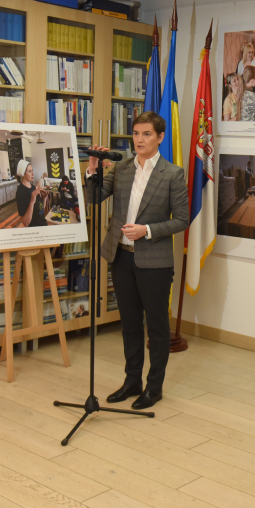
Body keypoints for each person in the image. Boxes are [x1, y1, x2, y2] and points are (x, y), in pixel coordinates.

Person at [85, 112, 189, 410]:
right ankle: (132, 381)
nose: (139, 140)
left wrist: (147, 230)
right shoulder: (121, 168)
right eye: (136, 133)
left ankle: (154, 387)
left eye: (146, 134)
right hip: (121, 257)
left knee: (156, 327)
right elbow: (94, 198)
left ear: (160, 137)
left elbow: (182, 220)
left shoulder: (172, 174)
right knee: (130, 325)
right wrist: (92, 169)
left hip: (154, 262)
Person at [15, 160, 49, 228]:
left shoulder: (33, 187)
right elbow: (26, 223)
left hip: (43, 224)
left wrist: (44, 198)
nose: (33, 174)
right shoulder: (20, 192)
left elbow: (41, 210)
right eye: (29, 171)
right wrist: (32, 202)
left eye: (32, 170)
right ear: (23, 174)